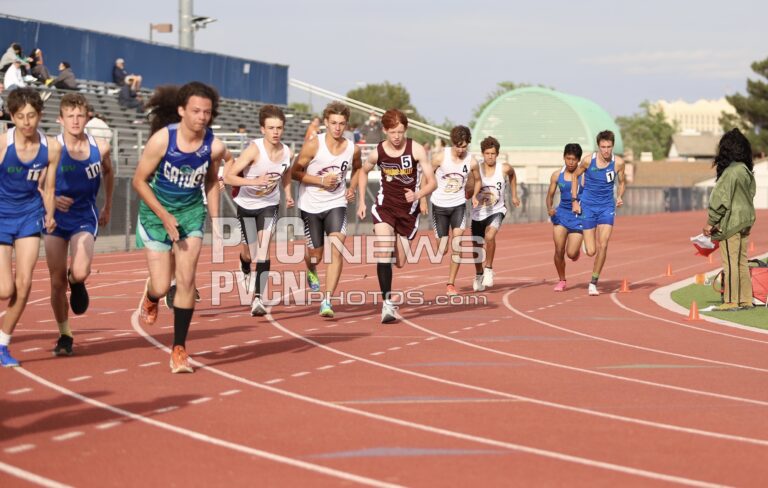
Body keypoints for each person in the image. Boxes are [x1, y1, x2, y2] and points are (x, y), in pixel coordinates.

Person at [133, 82, 227, 374]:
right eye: (196, 111)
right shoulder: (162, 140)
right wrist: (163, 216)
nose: (202, 117)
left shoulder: (214, 146)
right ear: (181, 110)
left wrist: (214, 218)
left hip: (190, 213)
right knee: (162, 285)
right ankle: (151, 296)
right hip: (155, 212)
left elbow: (211, 181)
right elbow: (139, 181)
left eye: (207, 112)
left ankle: (179, 348)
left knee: (186, 280)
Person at [44, 93, 114, 356]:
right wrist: (49, 197)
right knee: (55, 281)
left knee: (81, 271)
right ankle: (65, 335)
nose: (75, 120)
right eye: (70, 116)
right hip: (55, 218)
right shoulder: (52, 147)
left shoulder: (100, 147)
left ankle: (78, 281)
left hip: (85, 215)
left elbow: (109, 171)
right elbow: (35, 181)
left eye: (80, 115)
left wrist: (107, 204)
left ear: (87, 117)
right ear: (60, 119)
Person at [357, 109, 436, 323]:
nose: (397, 137)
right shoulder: (378, 152)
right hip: (384, 207)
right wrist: (362, 200)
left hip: (408, 212)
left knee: (399, 261)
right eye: (392, 132)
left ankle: (392, 249)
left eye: (400, 131)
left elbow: (432, 181)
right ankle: (387, 304)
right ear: (385, 131)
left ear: (405, 130)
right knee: (383, 250)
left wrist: (419, 195)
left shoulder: (416, 150)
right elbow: (363, 171)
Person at [0, 88, 60, 367]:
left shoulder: (51, 148)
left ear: (40, 115)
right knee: (4, 289)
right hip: (1, 215)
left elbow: (49, 187)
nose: (26, 122)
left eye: (31, 116)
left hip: (29, 216)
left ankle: (2, 344)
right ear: (12, 117)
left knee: (24, 285)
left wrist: (49, 214)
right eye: (21, 116)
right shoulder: (2, 144)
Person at [292, 101, 362, 318]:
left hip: (336, 203)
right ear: (326, 122)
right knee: (316, 255)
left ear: (346, 125)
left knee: (337, 248)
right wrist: (320, 180)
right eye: (333, 123)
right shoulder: (314, 145)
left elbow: (358, 169)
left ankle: (327, 299)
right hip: (310, 205)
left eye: (341, 124)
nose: (337, 128)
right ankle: (311, 269)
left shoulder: (353, 148)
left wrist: (351, 188)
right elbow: (295, 173)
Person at [224, 105, 294, 317]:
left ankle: (258, 298)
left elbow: (287, 174)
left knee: (263, 249)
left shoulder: (286, 152)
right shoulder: (254, 149)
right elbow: (229, 177)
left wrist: (288, 193)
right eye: (271, 127)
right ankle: (244, 264)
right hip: (246, 205)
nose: (276, 132)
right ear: (262, 129)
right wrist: (254, 181)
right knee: (249, 252)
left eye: (279, 128)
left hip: (269, 204)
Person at [703, 128, 756, 311]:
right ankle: (746, 299)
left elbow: (720, 200)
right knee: (742, 261)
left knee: (730, 262)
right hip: (746, 220)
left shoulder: (730, 172)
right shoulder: (745, 170)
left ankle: (731, 300)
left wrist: (710, 223)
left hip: (731, 222)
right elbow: (751, 194)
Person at [571, 130, 626, 296]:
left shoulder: (618, 163)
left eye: (609, 147)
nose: (606, 150)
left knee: (604, 244)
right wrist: (575, 200)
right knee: (591, 251)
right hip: (587, 206)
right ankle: (585, 245)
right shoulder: (588, 161)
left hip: (606, 207)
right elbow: (575, 176)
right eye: (603, 147)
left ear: (613, 146)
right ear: (598, 146)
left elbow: (622, 182)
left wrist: (620, 196)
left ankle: (593, 282)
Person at [429, 125, 480, 296]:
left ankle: (450, 283)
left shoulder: (471, 161)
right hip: (439, 206)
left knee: (457, 244)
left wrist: (474, 196)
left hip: (458, 205)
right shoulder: (440, 158)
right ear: (453, 143)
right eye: (458, 145)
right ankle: (440, 240)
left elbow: (478, 180)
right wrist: (422, 199)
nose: (460, 149)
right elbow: (426, 176)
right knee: (443, 249)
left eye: (464, 146)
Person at [467, 136, 520, 292]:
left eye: (493, 153)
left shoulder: (503, 168)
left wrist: (515, 194)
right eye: (487, 153)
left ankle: (489, 269)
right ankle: (479, 274)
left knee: (490, 236)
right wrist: (472, 195)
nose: (490, 156)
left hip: (497, 210)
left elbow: (513, 175)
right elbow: (469, 189)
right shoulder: (475, 170)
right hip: (478, 212)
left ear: (497, 154)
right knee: (477, 245)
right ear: (482, 154)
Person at [546, 143, 584, 292]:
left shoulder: (583, 176)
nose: (570, 162)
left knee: (571, 253)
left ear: (579, 160)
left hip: (577, 217)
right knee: (559, 250)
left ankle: (576, 252)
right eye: (568, 158)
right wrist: (550, 209)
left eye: (574, 159)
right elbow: (549, 196)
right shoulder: (557, 175)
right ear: (564, 157)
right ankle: (562, 280)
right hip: (561, 215)